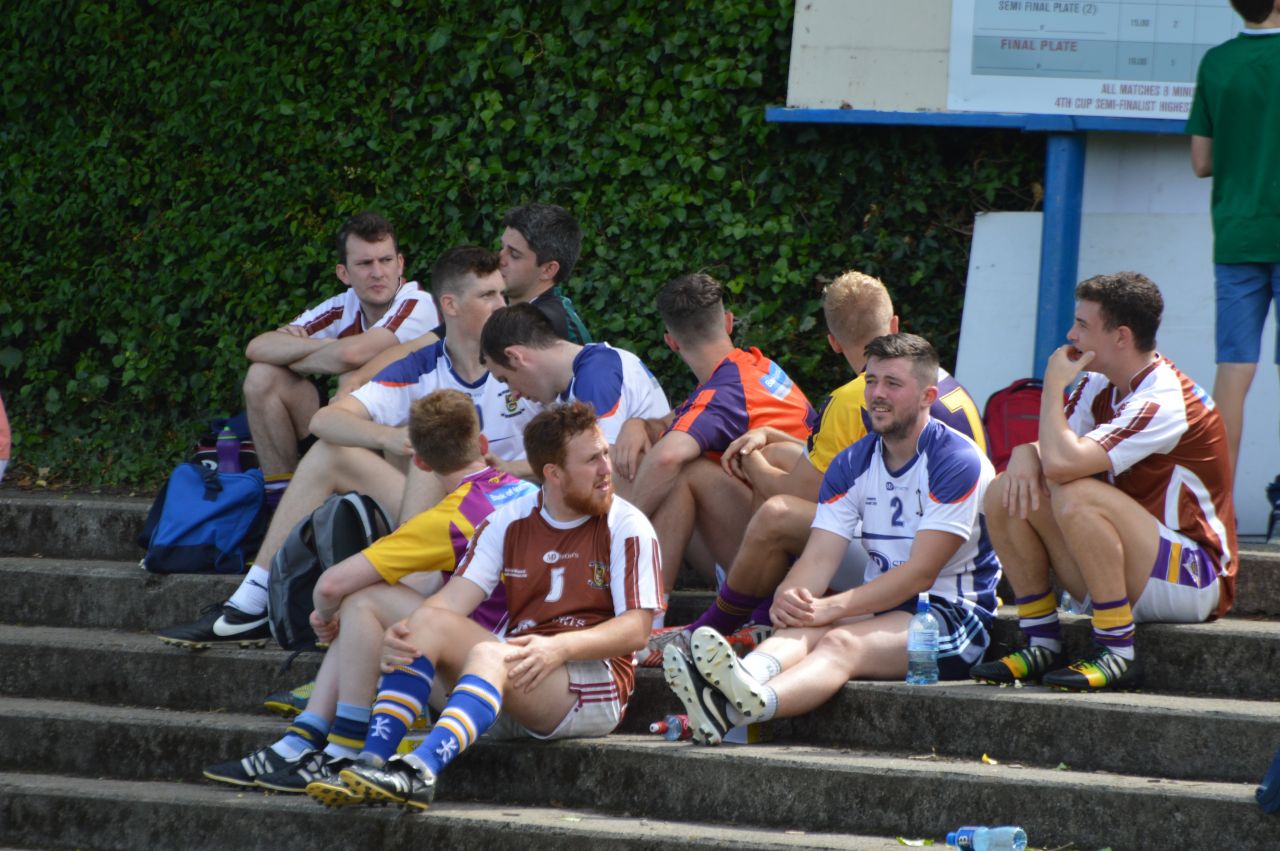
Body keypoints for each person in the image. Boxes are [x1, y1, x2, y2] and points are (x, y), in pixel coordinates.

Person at [155, 246, 535, 648]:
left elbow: (572, 445)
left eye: (502, 294)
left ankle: (375, 620)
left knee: (427, 468)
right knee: (332, 452)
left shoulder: (525, 357)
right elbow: (325, 420)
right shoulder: (423, 365)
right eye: (488, 296)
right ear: (451, 305)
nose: (501, 305)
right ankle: (253, 600)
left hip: (510, 518)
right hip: (438, 523)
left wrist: (509, 467)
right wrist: (388, 436)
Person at [312, 401, 662, 810]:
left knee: (489, 651)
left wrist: (559, 648)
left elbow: (637, 630)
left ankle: (420, 771)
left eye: (605, 453)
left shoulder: (627, 524)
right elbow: (450, 605)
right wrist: (402, 633)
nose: (607, 469)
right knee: (423, 626)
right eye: (592, 460)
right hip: (514, 675)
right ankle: (372, 762)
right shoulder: (507, 521)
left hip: (590, 686)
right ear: (553, 474)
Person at [663, 334, 998, 745]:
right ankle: (732, 691)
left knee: (839, 640)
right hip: (885, 605)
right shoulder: (853, 461)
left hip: (950, 617)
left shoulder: (955, 461)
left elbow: (919, 575)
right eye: (871, 380)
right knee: (801, 626)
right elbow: (819, 555)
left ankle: (737, 707)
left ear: (928, 395)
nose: (876, 394)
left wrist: (830, 607)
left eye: (893, 384)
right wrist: (793, 598)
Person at [202, 390, 536, 796]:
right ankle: (304, 737)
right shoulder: (521, 491)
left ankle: (339, 746)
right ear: (482, 445)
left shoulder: (449, 518)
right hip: (521, 669)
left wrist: (324, 617)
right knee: (402, 587)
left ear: (421, 463)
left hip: (481, 681)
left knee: (362, 600)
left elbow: (331, 584)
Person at [639, 271, 986, 663]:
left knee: (776, 511)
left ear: (833, 343)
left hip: (908, 559)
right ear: (893, 326)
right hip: (962, 549)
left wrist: (749, 461)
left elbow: (801, 494)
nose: (879, 393)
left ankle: (722, 622)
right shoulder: (943, 382)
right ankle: (750, 619)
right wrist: (771, 437)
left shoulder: (853, 397)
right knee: (780, 461)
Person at [970, 272, 1237, 691]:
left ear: (1121, 337)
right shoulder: (1100, 382)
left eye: (1083, 326)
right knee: (1004, 491)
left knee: (1077, 493)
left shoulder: (1164, 400)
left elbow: (1061, 466)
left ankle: (1117, 649)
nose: (1070, 334)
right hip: (1123, 561)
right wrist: (1025, 451)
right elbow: (1053, 451)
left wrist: (1054, 384)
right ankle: (1041, 641)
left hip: (1193, 577)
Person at [612, 272, 816, 595]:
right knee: (660, 456)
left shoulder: (725, 391)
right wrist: (635, 424)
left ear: (671, 342)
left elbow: (667, 457)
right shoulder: (752, 366)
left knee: (680, 469)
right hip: (808, 540)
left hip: (788, 559)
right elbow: (674, 421)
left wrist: (612, 532)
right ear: (729, 322)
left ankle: (643, 616)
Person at [242, 212, 438, 505]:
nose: (377, 272)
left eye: (385, 261)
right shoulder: (342, 306)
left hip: (405, 440)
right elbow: (258, 347)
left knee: (353, 375)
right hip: (349, 423)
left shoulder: (417, 303)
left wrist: (306, 354)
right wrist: (332, 348)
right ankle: (279, 503)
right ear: (343, 273)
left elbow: (351, 354)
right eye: (364, 263)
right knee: (262, 376)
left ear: (400, 264)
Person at [1187, 0, 1280, 515]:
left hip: (1236, 234)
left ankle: (1216, 508)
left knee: (1233, 372)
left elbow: (1202, 161)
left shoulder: (1217, 62)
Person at [342, 202, 593, 392]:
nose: (499, 258)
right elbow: (417, 347)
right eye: (502, 246)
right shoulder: (504, 310)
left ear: (548, 270)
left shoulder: (550, 321)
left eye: (514, 255)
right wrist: (355, 381)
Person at [479, 302, 670, 446]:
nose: (514, 394)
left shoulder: (597, 376)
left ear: (515, 356)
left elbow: (598, 468)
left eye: (505, 379)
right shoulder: (593, 368)